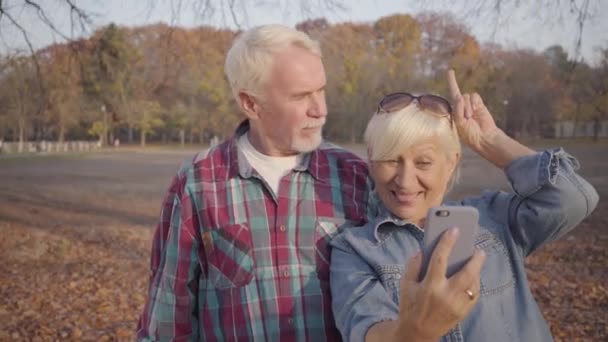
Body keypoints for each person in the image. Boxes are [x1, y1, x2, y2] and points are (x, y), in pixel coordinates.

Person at [136, 24, 379, 341]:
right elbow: (168, 315)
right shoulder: (197, 182)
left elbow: (397, 286)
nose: (321, 109)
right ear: (251, 103)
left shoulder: (356, 177)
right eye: (301, 96)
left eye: (321, 90)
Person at [329, 70, 599, 342]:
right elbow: (366, 330)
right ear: (372, 163)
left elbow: (573, 199)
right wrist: (413, 332)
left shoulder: (495, 217)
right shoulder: (355, 250)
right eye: (390, 160)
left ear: (451, 163)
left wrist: (490, 140)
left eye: (423, 162)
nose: (405, 180)